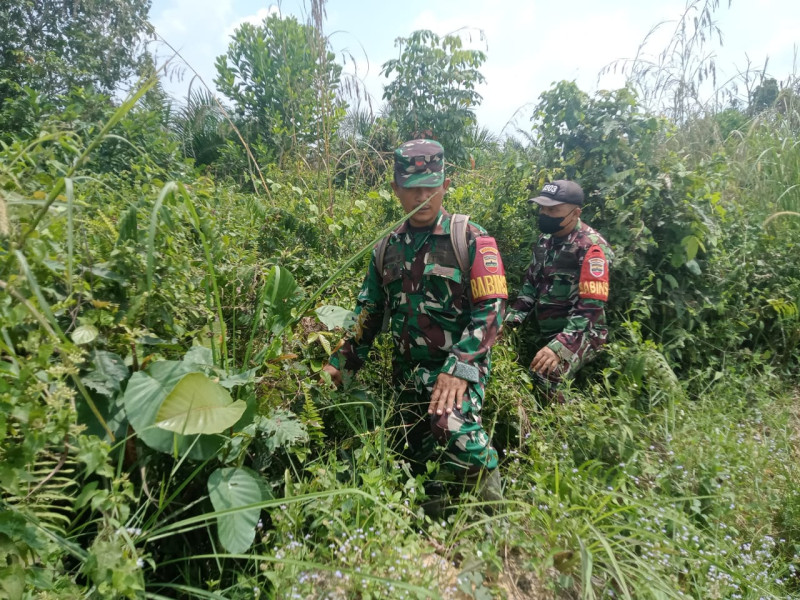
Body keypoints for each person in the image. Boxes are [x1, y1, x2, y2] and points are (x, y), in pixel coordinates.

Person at [322, 139, 507, 504]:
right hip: (406, 377)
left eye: (431, 186)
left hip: (457, 369)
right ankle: (432, 527)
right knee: (411, 459)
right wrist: (337, 363)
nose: (422, 196)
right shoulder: (385, 248)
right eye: (411, 188)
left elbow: (492, 309)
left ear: (446, 185)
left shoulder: (470, 238)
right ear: (395, 190)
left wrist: (459, 367)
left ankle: (494, 522)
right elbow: (368, 314)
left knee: (451, 427)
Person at [504, 180, 612, 400]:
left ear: (575, 213)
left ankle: (565, 426)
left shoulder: (592, 247)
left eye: (552, 210)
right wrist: (508, 324)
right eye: (542, 208)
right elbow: (529, 287)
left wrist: (559, 346)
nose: (544, 213)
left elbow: (590, 309)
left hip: (583, 333)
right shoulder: (544, 242)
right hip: (547, 329)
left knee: (545, 375)